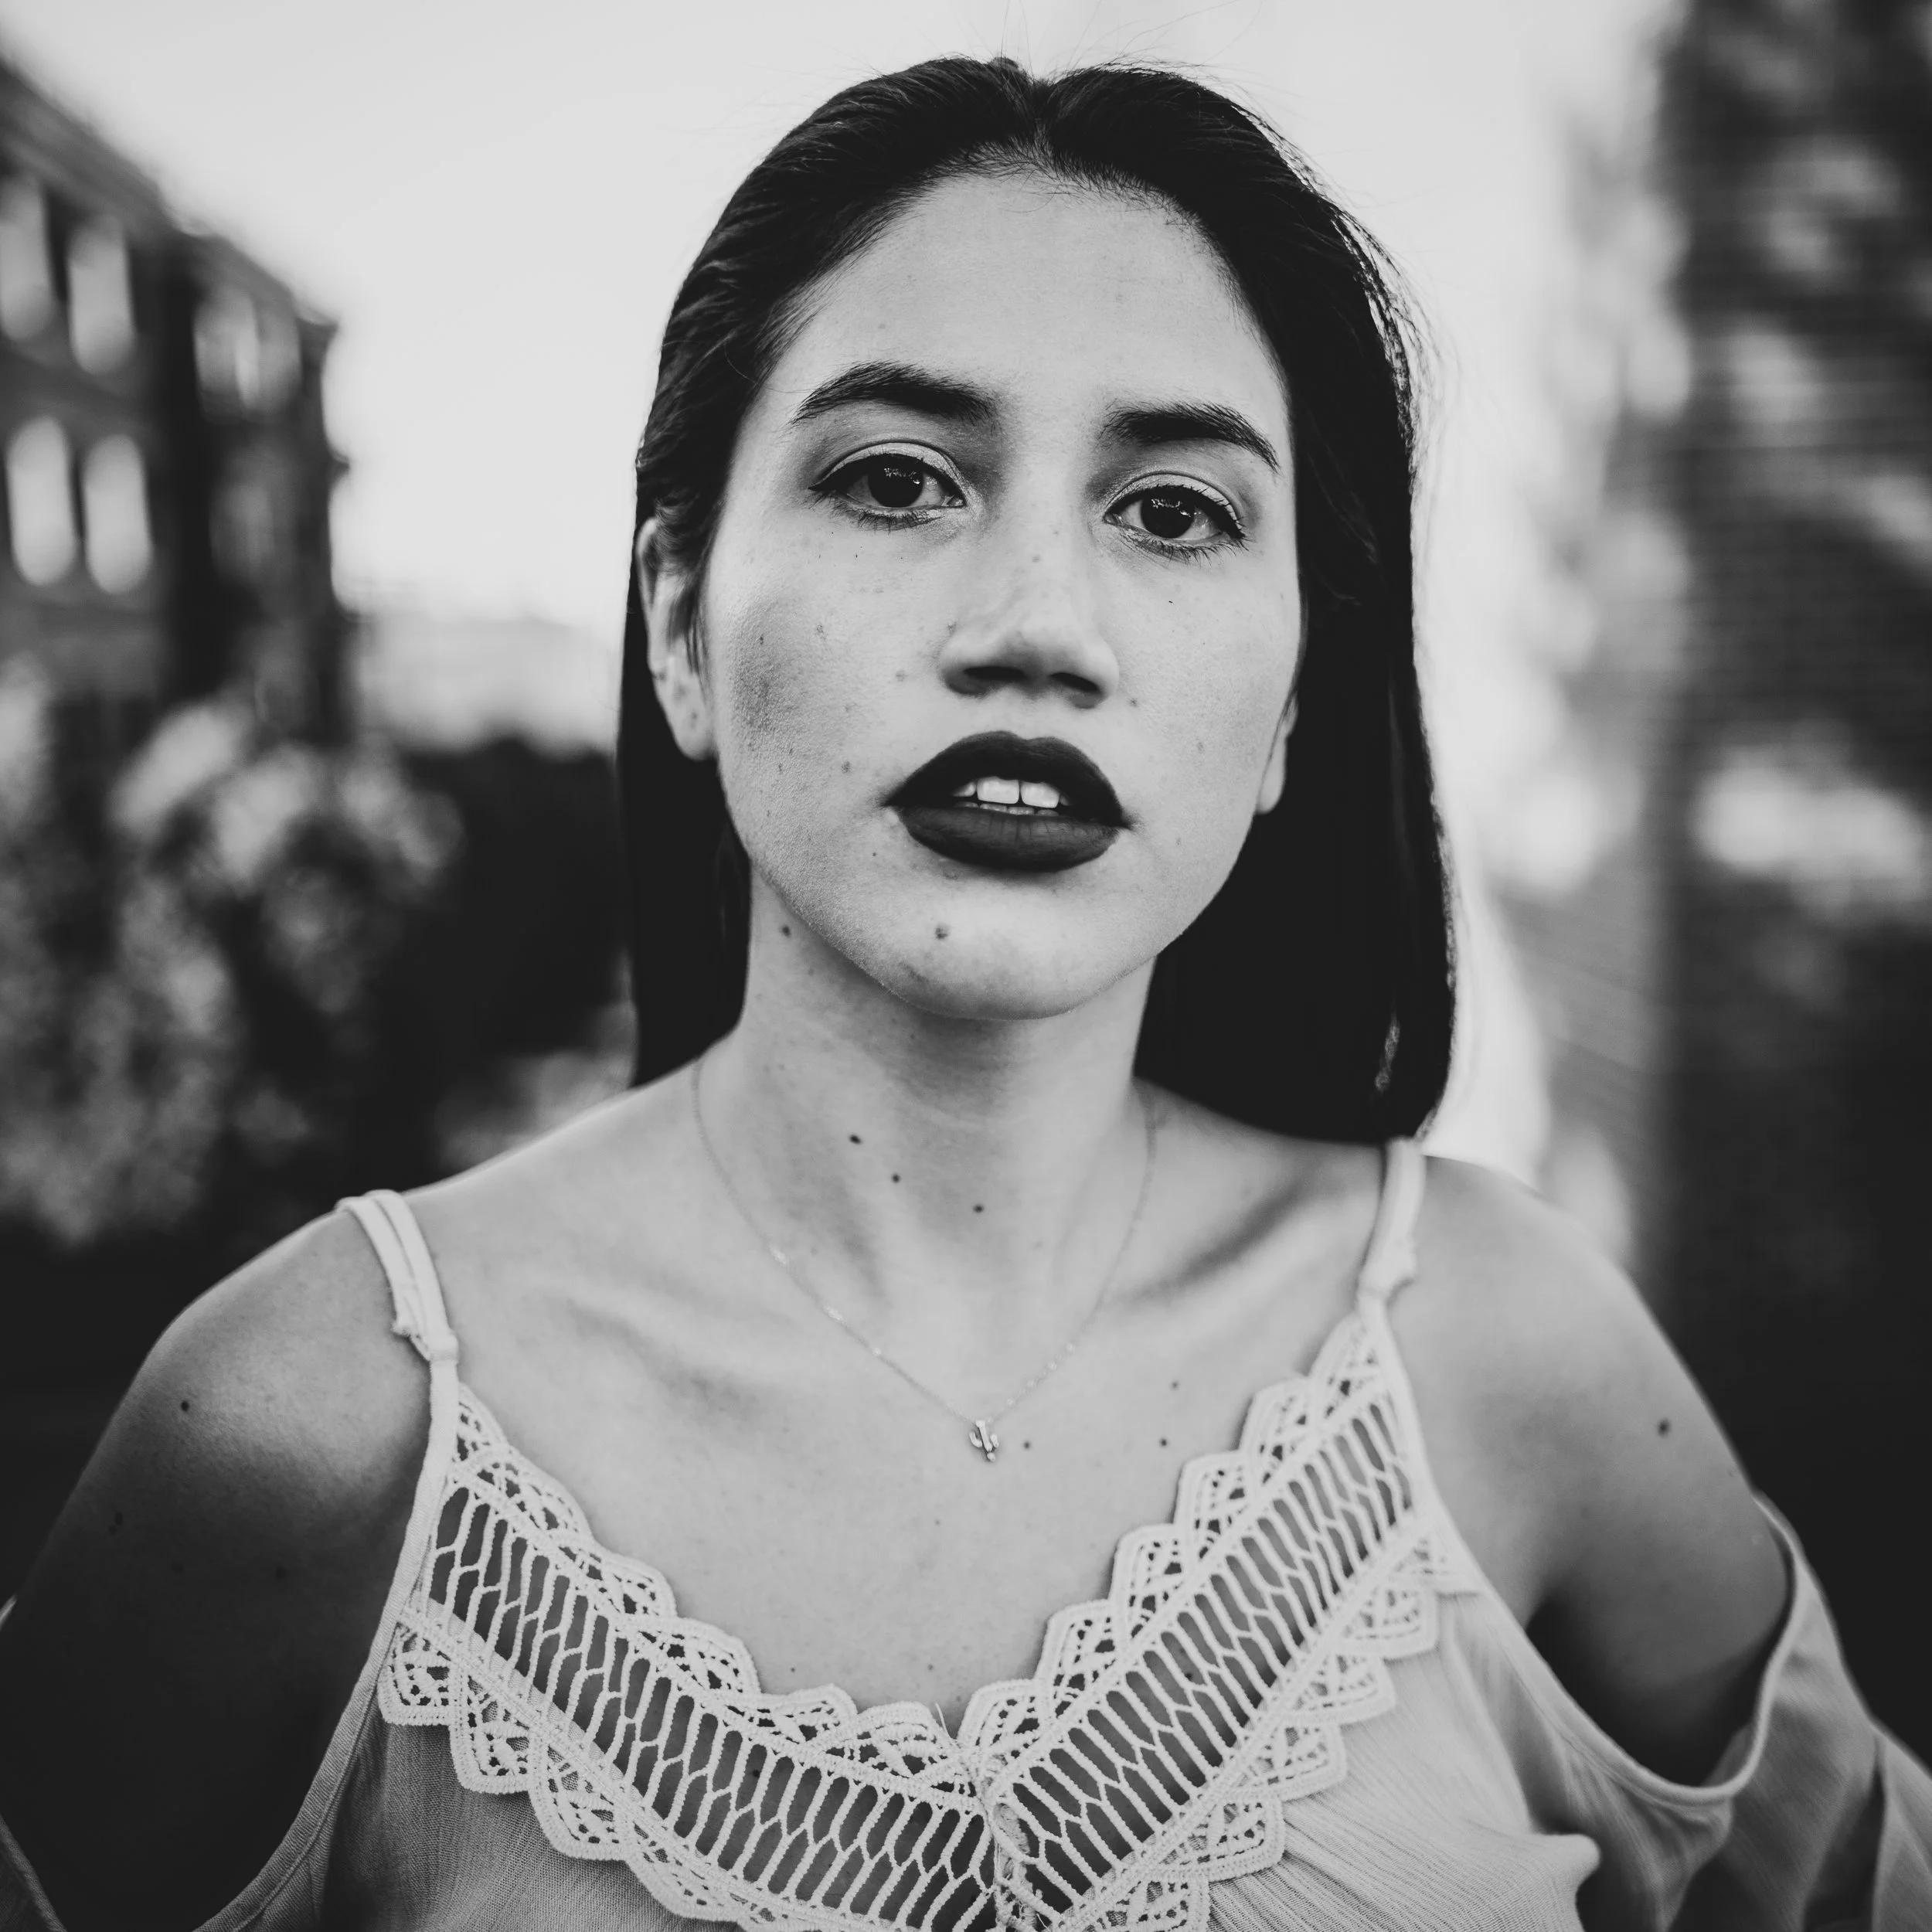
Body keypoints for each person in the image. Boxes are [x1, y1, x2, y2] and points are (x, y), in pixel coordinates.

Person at [1, 54, 1926, 1932]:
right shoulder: (314, 1432)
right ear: (679, 619)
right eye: (899, 478)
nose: (1035, 624)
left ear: (1290, 711)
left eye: (1173, 510)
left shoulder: (1509, 1364)